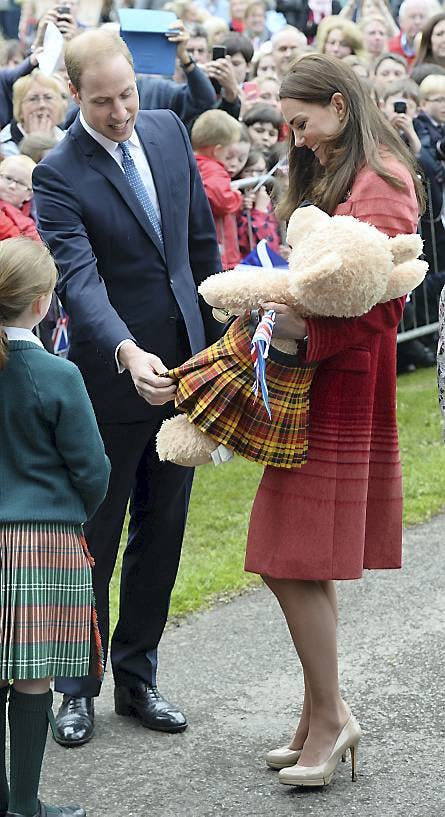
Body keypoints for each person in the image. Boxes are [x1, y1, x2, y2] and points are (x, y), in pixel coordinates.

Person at [32, 27, 222, 747]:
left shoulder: (170, 131)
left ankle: (138, 676)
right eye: (104, 101)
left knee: (163, 532)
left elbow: (200, 247)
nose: (121, 113)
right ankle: (76, 688)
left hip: (183, 374)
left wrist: (218, 345)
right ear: (75, 94)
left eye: (129, 95)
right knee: (95, 537)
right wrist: (123, 350)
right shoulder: (57, 173)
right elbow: (78, 282)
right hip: (108, 384)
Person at [245, 52, 424, 788]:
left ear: (339, 108)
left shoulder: (378, 182)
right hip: (325, 390)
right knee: (297, 560)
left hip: (340, 394)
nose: (297, 138)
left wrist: (297, 330)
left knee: (287, 559)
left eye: (303, 122)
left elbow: (383, 310)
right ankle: (318, 714)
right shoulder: (352, 172)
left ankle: (330, 715)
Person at [0, 236, 110, 817]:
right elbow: (92, 468)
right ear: (44, 302)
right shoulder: (56, 372)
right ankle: (24, 807)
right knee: (33, 679)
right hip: (43, 540)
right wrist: (74, 512)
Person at [191, 108, 243, 268]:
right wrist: (236, 196)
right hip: (221, 253)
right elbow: (222, 200)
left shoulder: (193, 164)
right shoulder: (213, 169)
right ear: (218, 149)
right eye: (228, 152)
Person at [0, 69, 65, 156]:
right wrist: (38, 143)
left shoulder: (67, 137)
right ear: (19, 108)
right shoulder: (6, 147)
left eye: (48, 97)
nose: (42, 105)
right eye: (33, 99)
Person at [387, 0, 439, 67]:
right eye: (412, 17)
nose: (417, 22)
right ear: (400, 21)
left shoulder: (436, 47)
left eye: (422, 16)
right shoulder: (389, 47)